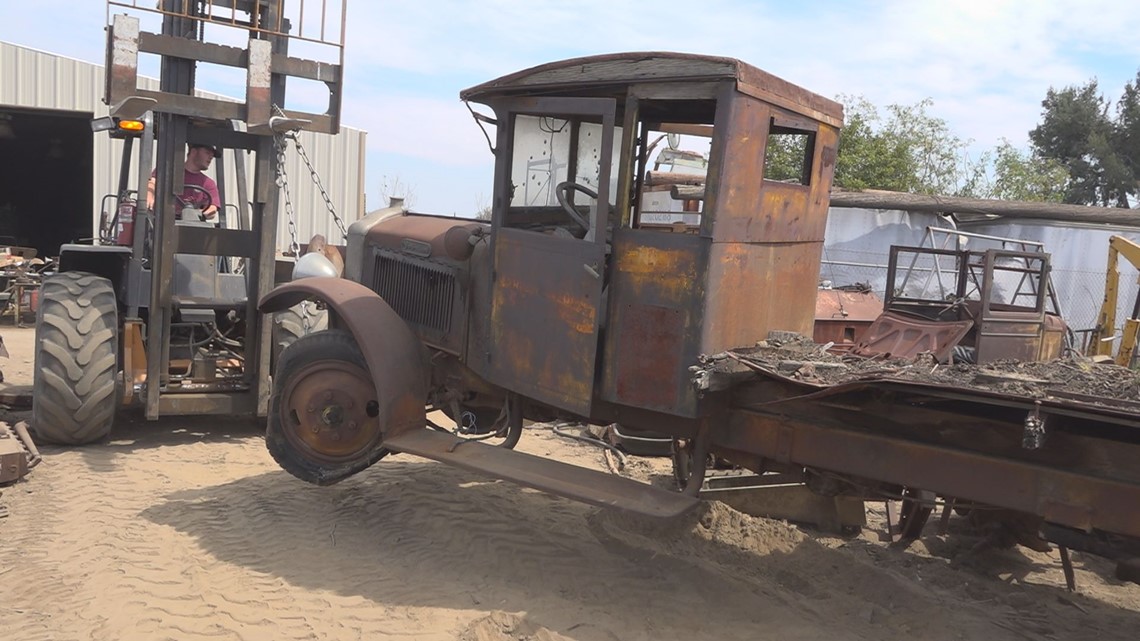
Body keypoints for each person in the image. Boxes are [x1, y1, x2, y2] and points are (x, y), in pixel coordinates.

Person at [146, 143, 222, 220]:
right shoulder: (167, 171)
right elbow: (152, 183)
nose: (211, 157)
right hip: (162, 221)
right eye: (207, 153)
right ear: (193, 152)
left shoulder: (208, 183)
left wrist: (200, 213)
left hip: (192, 225)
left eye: (212, 155)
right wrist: (149, 195)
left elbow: (212, 207)